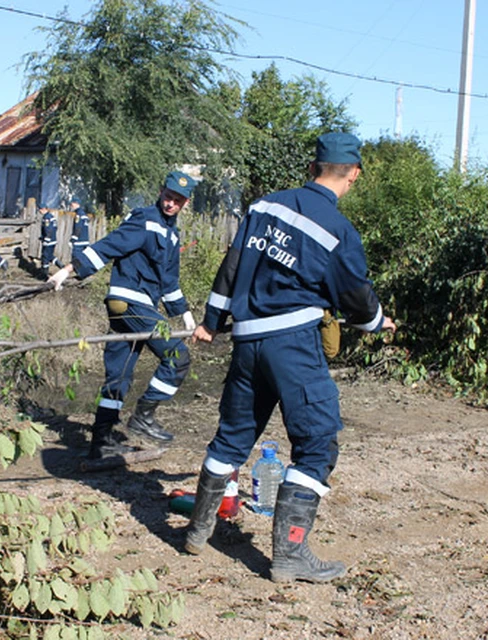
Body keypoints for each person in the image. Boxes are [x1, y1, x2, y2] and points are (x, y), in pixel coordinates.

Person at [186, 133, 397, 583]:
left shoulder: (264, 207)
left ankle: (197, 532)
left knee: (231, 439)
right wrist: (377, 321)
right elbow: (355, 297)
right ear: (354, 173)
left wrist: (212, 320)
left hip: (246, 343)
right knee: (317, 442)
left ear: (312, 166)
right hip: (293, 346)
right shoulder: (338, 231)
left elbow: (232, 265)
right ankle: (290, 556)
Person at [48, 172, 198, 459]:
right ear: (160, 191)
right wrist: (67, 272)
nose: (170, 204)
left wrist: (186, 315)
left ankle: (102, 442)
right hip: (130, 302)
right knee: (178, 357)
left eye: (177, 201)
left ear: (186, 203)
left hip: (135, 306)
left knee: (120, 374)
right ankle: (144, 414)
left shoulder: (172, 234)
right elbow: (108, 246)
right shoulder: (145, 219)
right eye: (168, 196)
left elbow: (169, 282)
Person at [38, 203, 62, 276]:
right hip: (53, 240)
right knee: (50, 256)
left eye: (40, 209)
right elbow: (55, 228)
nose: (39, 211)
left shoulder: (47, 217)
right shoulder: (51, 216)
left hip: (49, 241)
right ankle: (61, 265)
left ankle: (44, 274)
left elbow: (49, 229)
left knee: (45, 257)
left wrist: (47, 239)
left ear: (43, 209)